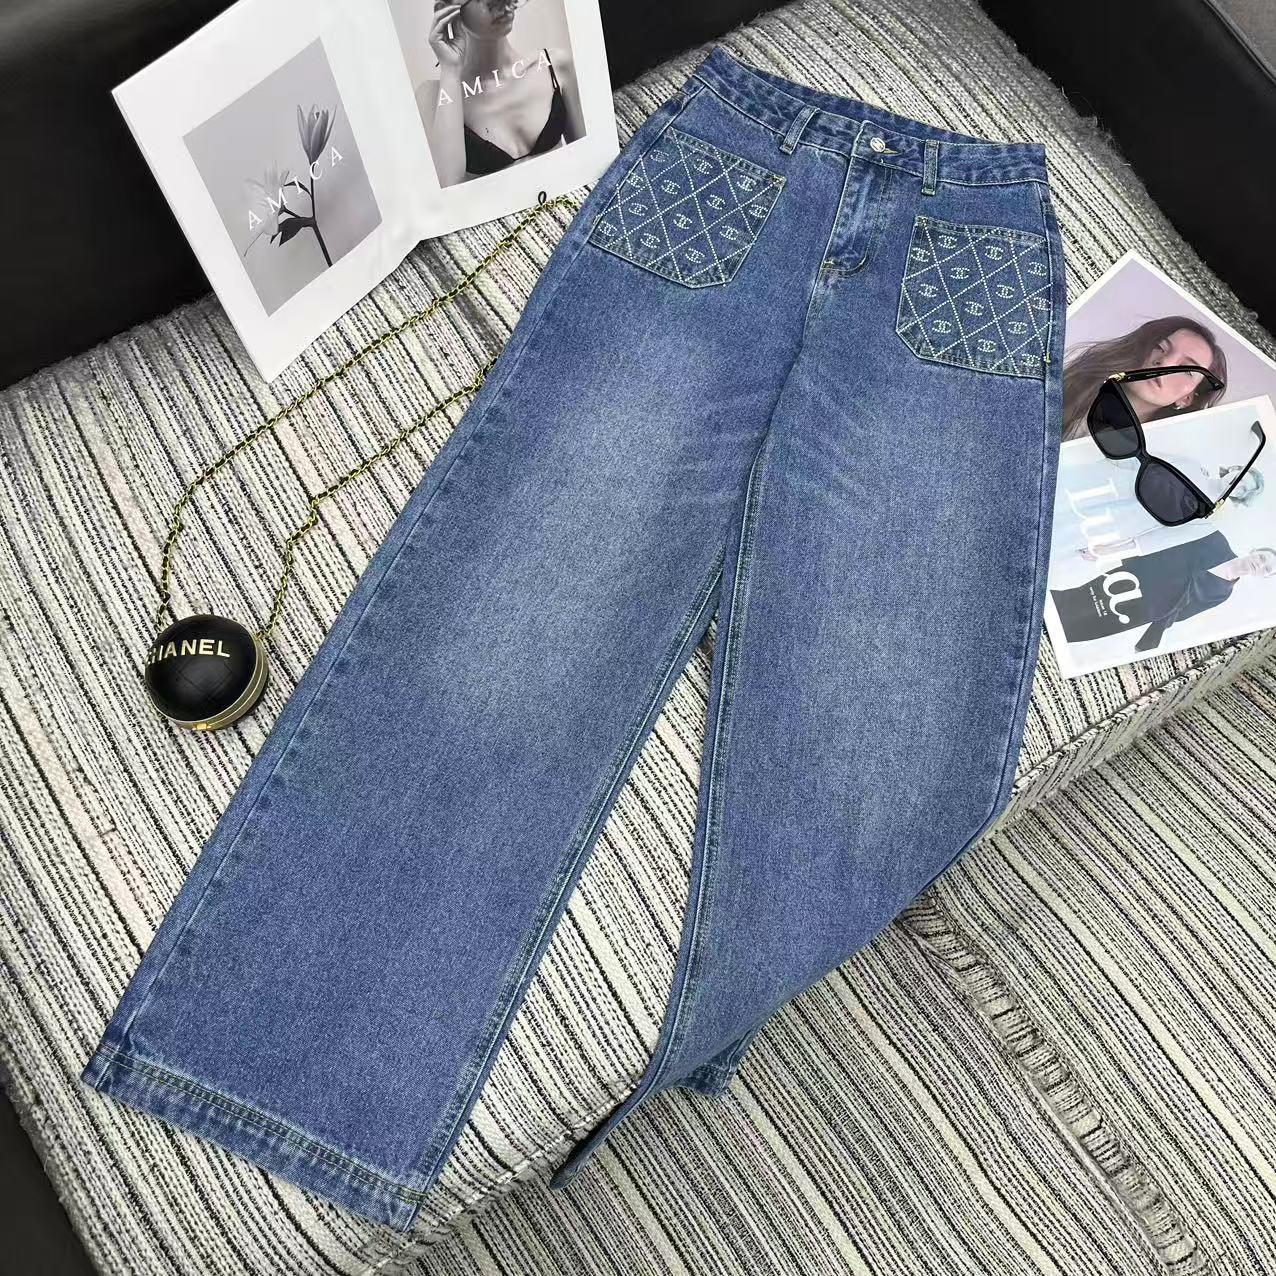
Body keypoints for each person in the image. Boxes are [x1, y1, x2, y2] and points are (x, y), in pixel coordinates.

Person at [418, 0, 582, 185]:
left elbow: (590, 163)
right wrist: (450, 69)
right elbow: (450, 187)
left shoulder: (556, 66)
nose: (503, 5)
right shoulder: (433, 98)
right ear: (446, 9)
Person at [1049, 529, 1276, 652]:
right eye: (1263, 558)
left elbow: (1181, 614)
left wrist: (1152, 635)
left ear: (1263, 576)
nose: (1260, 564)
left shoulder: (1223, 593)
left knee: (1082, 629)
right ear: (1255, 550)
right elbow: (1159, 541)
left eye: (1267, 569)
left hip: (1142, 611)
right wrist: (1109, 551)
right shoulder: (1216, 540)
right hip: (1132, 578)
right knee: (1074, 600)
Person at [1061, 316, 1228, 442]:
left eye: (1187, 369)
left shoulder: (1153, 459)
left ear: (1187, 398)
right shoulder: (1064, 389)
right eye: (1160, 347)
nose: (1165, 362)